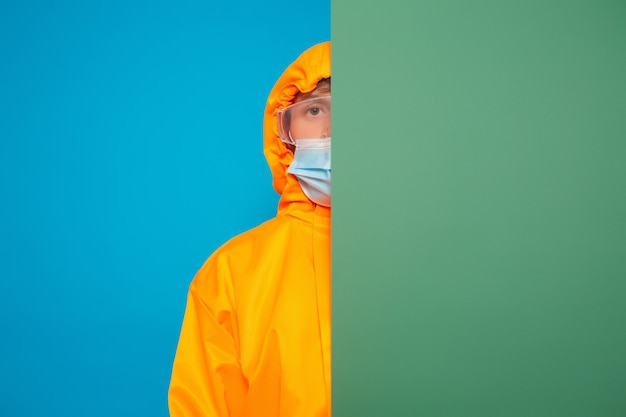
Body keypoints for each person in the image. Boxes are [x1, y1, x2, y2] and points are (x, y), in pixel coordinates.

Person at [168, 41, 332, 417]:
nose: (331, 130)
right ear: (284, 132)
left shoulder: (426, 262)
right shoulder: (232, 271)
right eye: (315, 109)